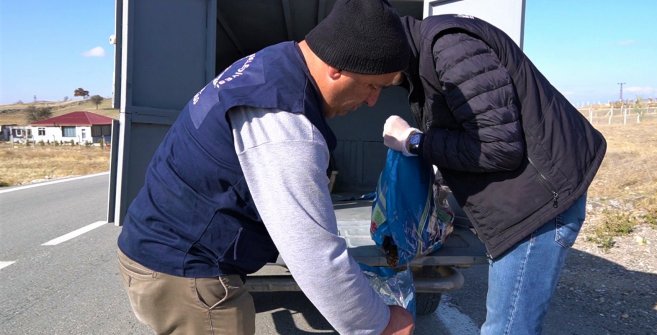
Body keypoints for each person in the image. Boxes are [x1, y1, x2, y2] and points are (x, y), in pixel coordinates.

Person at [116, 1, 415, 334]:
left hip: (162, 253)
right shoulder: (284, 120)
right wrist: (380, 323)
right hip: (185, 274)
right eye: (373, 86)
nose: (373, 101)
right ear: (336, 68)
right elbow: (313, 254)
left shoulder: (273, 64)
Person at [382, 14, 607, 335]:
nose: (371, 93)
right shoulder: (428, 55)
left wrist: (414, 141)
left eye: (369, 78)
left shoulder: (451, 47)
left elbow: (498, 144)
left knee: (507, 329)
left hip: (538, 205)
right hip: (523, 197)